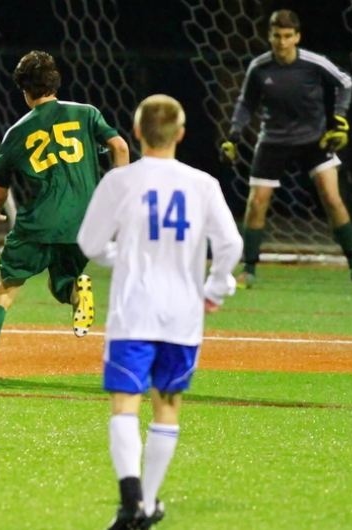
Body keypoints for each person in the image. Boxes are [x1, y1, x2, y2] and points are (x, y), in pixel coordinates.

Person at [78, 94, 243, 529]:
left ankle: (130, 499)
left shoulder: (120, 182)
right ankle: (147, 504)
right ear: (182, 135)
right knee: (167, 406)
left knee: (125, 403)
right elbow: (231, 245)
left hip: (134, 310)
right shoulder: (203, 183)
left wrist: (124, 255)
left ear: (136, 133)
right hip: (183, 315)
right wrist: (216, 287)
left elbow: (91, 245)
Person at [0, 50, 130, 387]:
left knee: (3, 291)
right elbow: (121, 148)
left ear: (24, 90)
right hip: (86, 222)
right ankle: (77, 292)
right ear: (55, 82)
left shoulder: (18, 131)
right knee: (61, 282)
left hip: (40, 222)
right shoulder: (86, 113)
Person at [220, 9, 352, 289]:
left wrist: (339, 119)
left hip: (313, 140)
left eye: (288, 36)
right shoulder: (259, 67)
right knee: (257, 202)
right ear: (269, 36)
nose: (282, 42)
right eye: (277, 36)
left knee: (332, 198)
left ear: (297, 37)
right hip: (273, 140)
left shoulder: (313, 63)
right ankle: (249, 269)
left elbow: (346, 82)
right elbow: (246, 103)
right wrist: (234, 135)